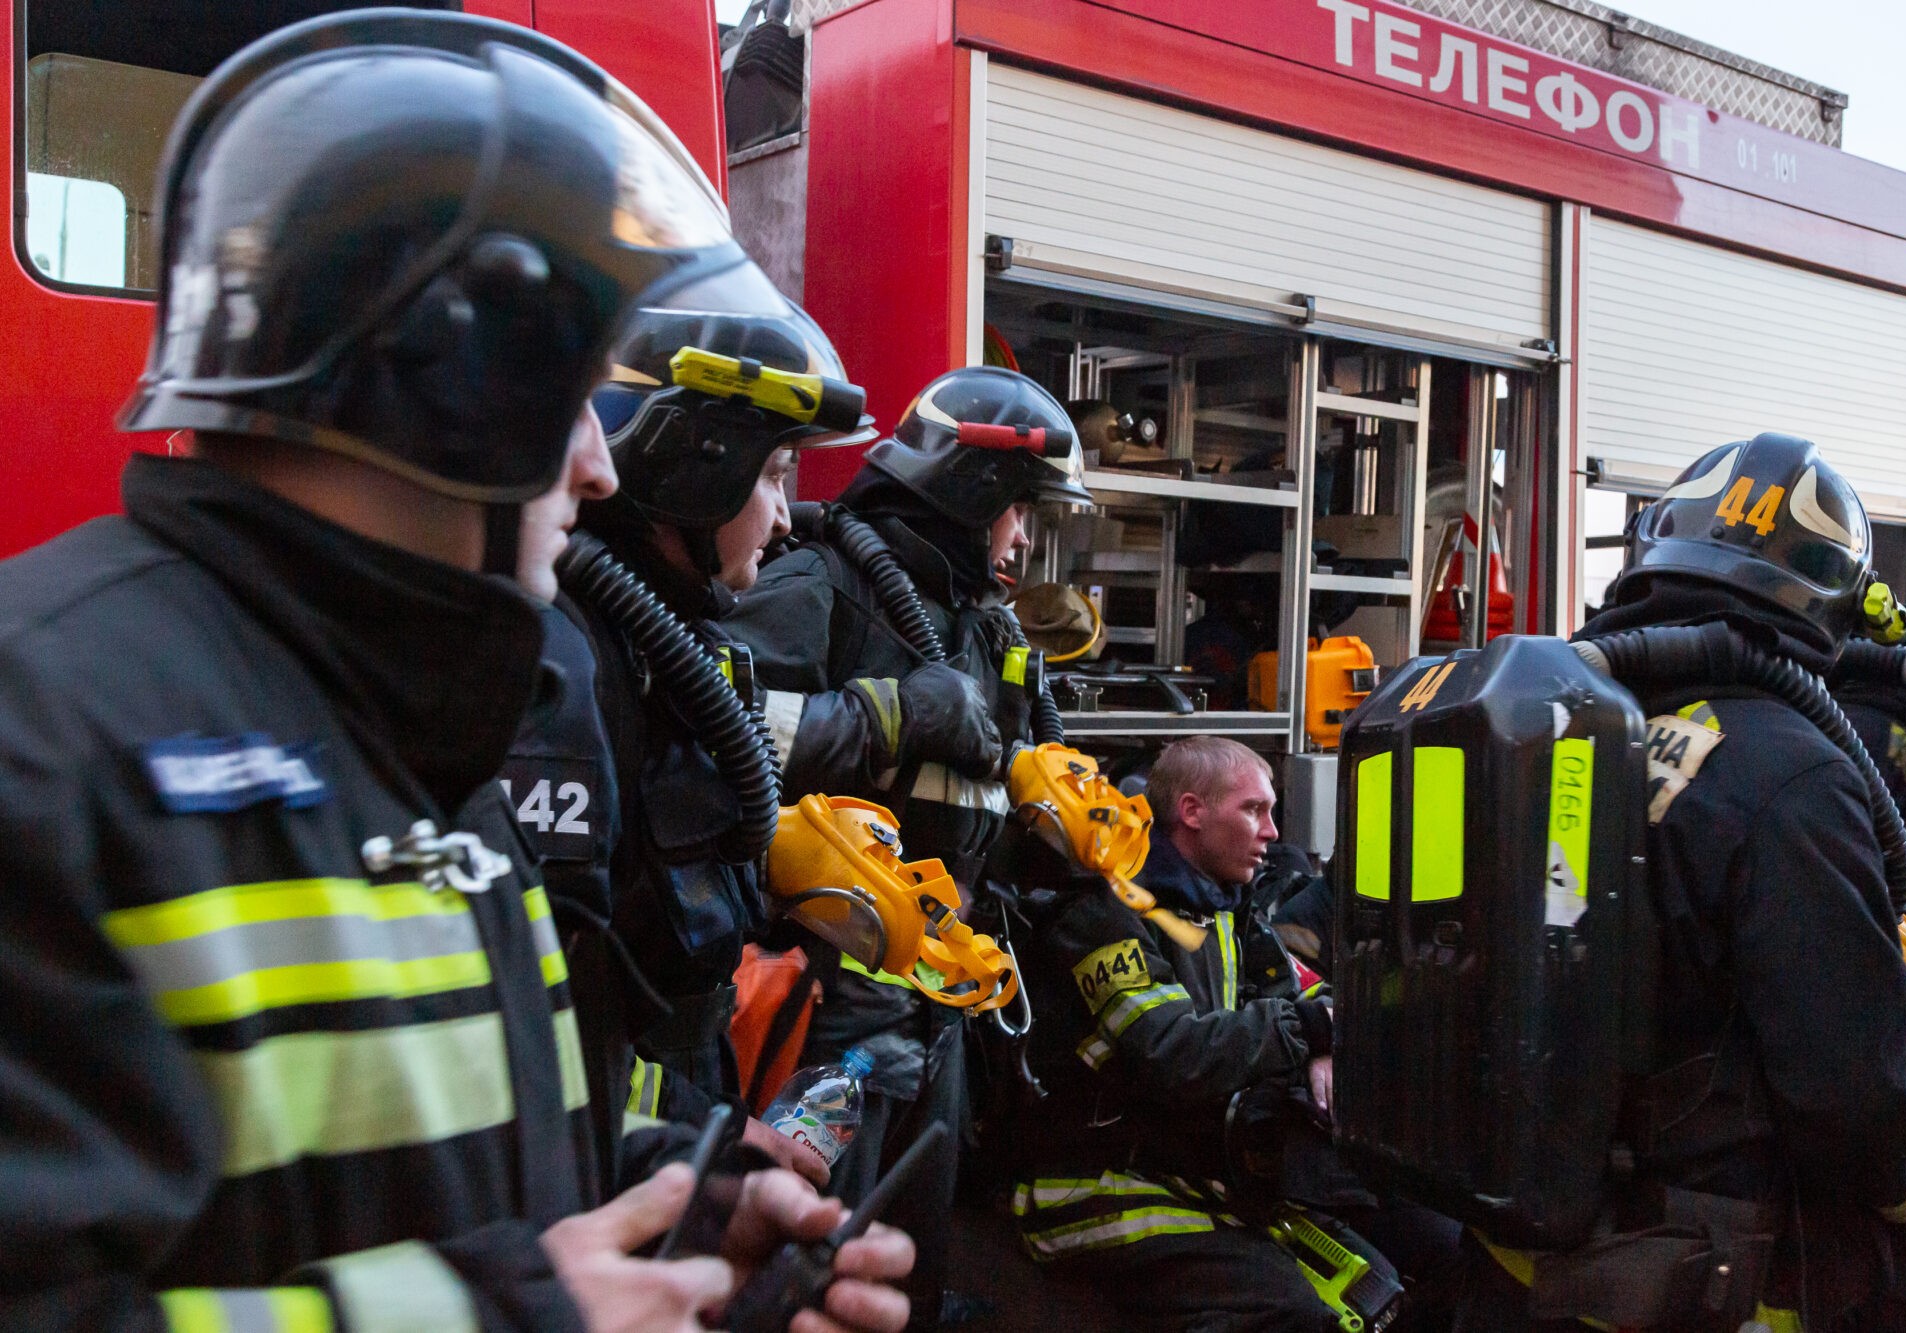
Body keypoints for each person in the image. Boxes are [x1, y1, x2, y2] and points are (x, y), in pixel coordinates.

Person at [0, 12, 911, 1328]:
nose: (599, 468)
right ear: (447, 383)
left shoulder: (428, 725)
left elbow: (446, 1152)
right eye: (573, 399)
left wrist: (681, 1213)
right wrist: (519, 1313)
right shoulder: (41, 734)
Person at [1457, 434, 1906, 1330]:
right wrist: (1903, 1191)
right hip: (1681, 1276)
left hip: (1502, 1254)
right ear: (1832, 598)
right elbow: (1848, 1083)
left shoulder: (1533, 723)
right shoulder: (1792, 773)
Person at [724, 365, 1091, 1327]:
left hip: (936, 993)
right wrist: (886, 713)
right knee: (806, 1239)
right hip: (824, 1005)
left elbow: (988, 800)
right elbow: (713, 727)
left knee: (910, 1243)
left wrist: (1064, 818)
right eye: (1019, 510)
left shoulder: (985, 628)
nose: (1023, 538)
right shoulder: (823, 584)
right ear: (973, 492)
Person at [560, 298, 874, 1175]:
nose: (785, 517)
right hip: (620, 1155)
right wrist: (714, 1137)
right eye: (774, 473)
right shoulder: (574, 663)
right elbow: (555, 1031)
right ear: (695, 464)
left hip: (675, 1112)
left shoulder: (663, 644)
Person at [1007, 736, 1367, 1329]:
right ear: (1192, 812)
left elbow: (1300, 992)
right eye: (1254, 810)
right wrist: (1306, 1033)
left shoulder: (1224, 904)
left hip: (1181, 1168)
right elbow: (1171, 1051)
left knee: (1368, 1286)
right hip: (1085, 1185)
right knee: (1287, 1309)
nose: (1273, 832)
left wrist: (1320, 1040)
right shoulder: (1103, 916)